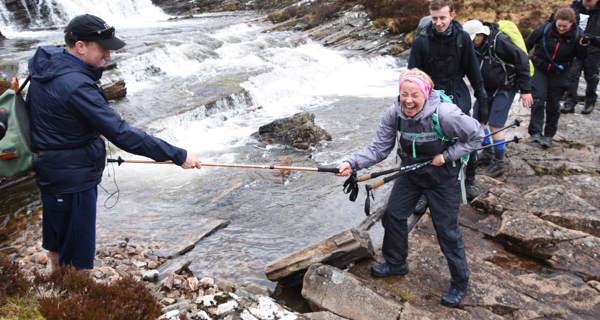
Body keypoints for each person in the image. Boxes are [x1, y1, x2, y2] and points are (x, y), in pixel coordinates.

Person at [26, 14, 202, 272]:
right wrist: (178, 155)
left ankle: (56, 289)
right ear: (80, 46)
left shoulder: (50, 63)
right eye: (103, 48)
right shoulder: (75, 85)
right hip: (72, 178)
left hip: (53, 168)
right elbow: (122, 134)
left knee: (58, 236)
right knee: (77, 254)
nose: (108, 55)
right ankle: (74, 300)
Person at [337, 69, 483, 308]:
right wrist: (351, 163)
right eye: (404, 94)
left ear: (426, 94)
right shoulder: (395, 113)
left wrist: (447, 156)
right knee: (393, 215)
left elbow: (476, 136)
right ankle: (396, 263)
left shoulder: (446, 114)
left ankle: (460, 282)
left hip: (443, 176)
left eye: (414, 94)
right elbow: (378, 149)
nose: (408, 100)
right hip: (411, 171)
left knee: (446, 231)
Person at [408, 0, 488, 206]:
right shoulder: (421, 41)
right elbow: (412, 75)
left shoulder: (462, 38)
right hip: (429, 95)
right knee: (428, 141)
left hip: (457, 92)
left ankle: (469, 180)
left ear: (452, 15)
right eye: (434, 18)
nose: (438, 22)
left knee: (467, 134)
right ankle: (425, 191)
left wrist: (482, 95)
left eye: (442, 18)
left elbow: (473, 69)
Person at [463, 19, 533, 177]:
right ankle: (487, 152)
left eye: (473, 38)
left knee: (495, 123)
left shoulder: (499, 42)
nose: (471, 42)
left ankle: (499, 161)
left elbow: (522, 59)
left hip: (506, 86)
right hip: (485, 86)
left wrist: (526, 90)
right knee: (479, 120)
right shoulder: (473, 46)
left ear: (481, 34)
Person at [526, 7, 587, 148]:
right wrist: (524, 64)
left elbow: (581, 57)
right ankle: (535, 132)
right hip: (539, 68)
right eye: (559, 25)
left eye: (564, 26)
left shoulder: (578, 35)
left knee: (553, 104)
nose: (561, 28)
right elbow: (526, 44)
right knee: (538, 99)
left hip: (560, 72)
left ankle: (548, 135)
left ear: (572, 23)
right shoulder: (545, 29)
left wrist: (583, 46)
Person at [562, 0, 600, 114]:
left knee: (592, 77)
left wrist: (592, 39)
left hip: (594, 49)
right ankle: (569, 102)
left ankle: (590, 102)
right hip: (575, 48)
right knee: (572, 75)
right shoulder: (575, 7)